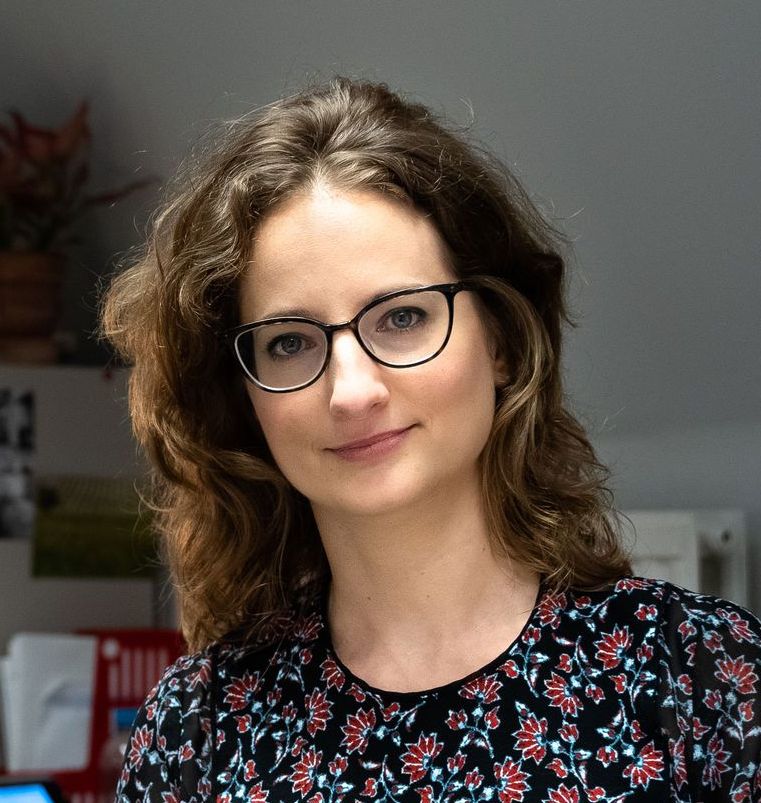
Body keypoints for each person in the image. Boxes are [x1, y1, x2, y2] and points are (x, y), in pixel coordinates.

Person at [102, 77, 761, 802]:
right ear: (245, 394)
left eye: (402, 318)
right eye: (290, 342)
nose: (351, 390)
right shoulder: (196, 730)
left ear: (503, 339)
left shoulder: (699, 678)